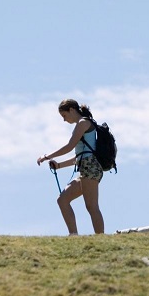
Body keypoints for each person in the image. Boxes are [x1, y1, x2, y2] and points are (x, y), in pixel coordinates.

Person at [37, 99, 105, 235]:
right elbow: (78, 156)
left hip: (90, 167)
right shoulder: (82, 124)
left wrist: (47, 156)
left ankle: (101, 238)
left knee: (91, 206)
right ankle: (73, 235)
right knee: (63, 200)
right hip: (85, 167)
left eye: (64, 116)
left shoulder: (83, 123)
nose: (64, 120)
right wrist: (59, 165)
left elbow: (69, 146)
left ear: (72, 110)